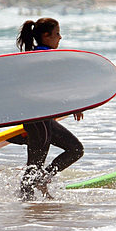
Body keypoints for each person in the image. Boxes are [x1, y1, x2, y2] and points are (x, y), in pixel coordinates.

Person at [15, 17, 84, 200]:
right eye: (57, 33)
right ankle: (27, 206)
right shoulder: (44, 56)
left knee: (75, 149)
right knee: (35, 164)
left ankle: (42, 180)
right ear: (46, 36)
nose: (60, 38)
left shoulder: (36, 55)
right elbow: (54, 86)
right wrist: (74, 105)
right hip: (37, 119)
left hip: (41, 118)